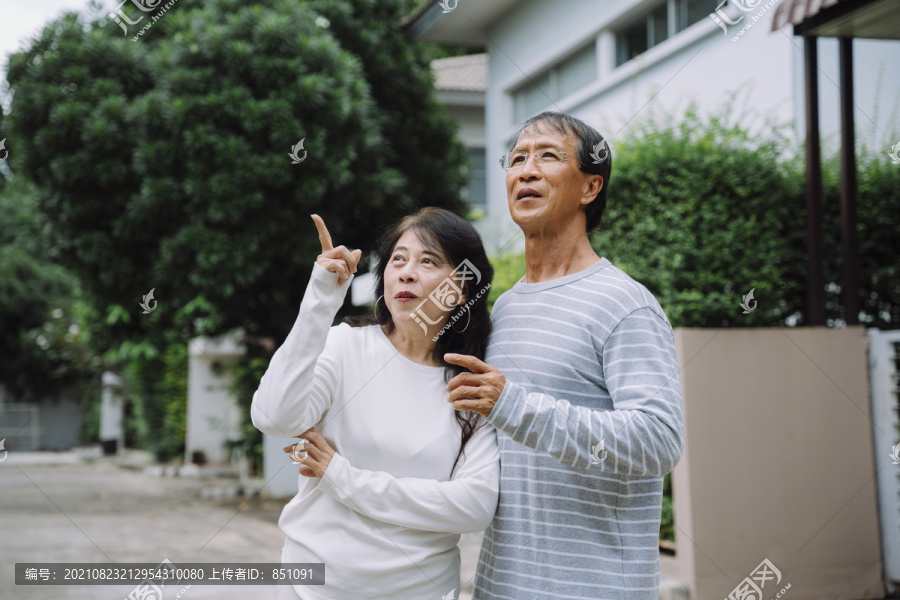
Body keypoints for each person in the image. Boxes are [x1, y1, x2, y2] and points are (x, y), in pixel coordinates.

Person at [443, 111, 685, 599]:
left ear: (590, 188)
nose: (526, 171)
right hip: (500, 587)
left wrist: (515, 405)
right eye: (516, 159)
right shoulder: (505, 307)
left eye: (547, 156)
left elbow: (659, 441)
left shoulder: (624, 304)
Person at [251, 208, 499, 600]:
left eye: (428, 261)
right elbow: (273, 416)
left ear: (463, 288)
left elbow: (473, 507)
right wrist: (321, 298)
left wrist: (340, 476)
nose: (406, 272)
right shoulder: (346, 346)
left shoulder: (471, 385)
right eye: (397, 259)